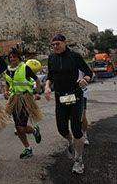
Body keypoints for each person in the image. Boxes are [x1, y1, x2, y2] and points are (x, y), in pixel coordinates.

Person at [45, 34, 93, 174]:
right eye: (53, 45)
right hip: (60, 98)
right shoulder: (51, 58)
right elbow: (50, 76)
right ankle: (70, 141)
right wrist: (47, 86)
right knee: (61, 129)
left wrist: (85, 79)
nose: (55, 47)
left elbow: (88, 72)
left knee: (76, 129)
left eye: (58, 44)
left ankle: (78, 160)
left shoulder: (75, 56)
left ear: (65, 43)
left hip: (75, 96)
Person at [4, 48, 43, 159]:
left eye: (14, 57)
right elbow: (7, 83)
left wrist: (37, 93)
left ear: (19, 58)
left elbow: (37, 80)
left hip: (25, 99)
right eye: (10, 57)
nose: (12, 59)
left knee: (21, 127)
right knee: (18, 127)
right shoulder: (8, 70)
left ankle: (34, 130)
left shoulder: (25, 68)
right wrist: (6, 91)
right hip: (14, 100)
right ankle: (28, 148)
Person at [78, 71, 90, 145]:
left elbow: (89, 73)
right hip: (68, 92)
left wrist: (85, 79)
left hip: (81, 92)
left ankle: (84, 134)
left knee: (82, 115)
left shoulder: (78, 61)